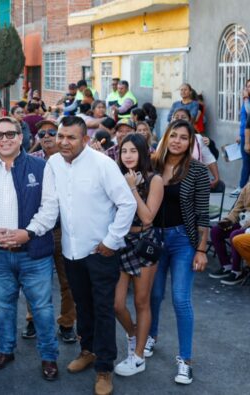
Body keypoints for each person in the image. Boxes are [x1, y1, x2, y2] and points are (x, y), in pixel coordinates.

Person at [46, 116, 137, 395]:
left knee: (103, 310)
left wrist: (111, 240)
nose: (64, 142)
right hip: (71, 251)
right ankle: (88, 351)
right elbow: (50, 205)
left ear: (85, 140)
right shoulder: (53, 164)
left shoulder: (103, 165)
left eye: (71, 137)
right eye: (61, 136)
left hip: (100, 253)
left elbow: (127, 203)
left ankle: (104, 369)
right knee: (82, 305)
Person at [0, 117, 60, 381]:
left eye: (11, 134)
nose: (5, 139)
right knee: (4, 306)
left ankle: (49, 356)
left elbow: (50, 207)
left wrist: (27, 233)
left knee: (42, 308)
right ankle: (5, 350)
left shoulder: (41, 168)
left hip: (34, 254)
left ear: (21, 137)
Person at [147, 119, 210, 385]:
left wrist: (201, 250)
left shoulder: (197, 170)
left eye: (184, 137)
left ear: (190, 142)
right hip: (154, 239)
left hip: (183, 240)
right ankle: (150, 335)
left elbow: (204, 214)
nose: (177, 141)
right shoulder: (152, 164)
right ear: (165, 137)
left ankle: (185, 360)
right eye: (173, 136)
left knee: (180, 299)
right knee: (154, 293)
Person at [111, 133, 164, 377]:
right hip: (121, 241)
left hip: (144, 243)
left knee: (141, 301)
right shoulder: (115, 176)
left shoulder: (155, 180)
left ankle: (139, 356)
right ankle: (134, 334)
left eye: (133, 151)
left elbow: (147, 217)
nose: (128, 156)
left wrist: (132, 188)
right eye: (124, 151)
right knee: (116, 304)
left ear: (143, 153)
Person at [23, 119, 78, 343]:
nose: (46, 136)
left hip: (62, 231)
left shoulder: (71, 162)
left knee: (68, 281)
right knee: (34, 280)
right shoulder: (31, 161)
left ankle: (66, 323)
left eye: (52, 132)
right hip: (37, 231)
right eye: (41, 132)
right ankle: (32, 319)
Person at [209, 183, 250, 285]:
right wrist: (228, 220)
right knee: (216, 231)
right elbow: (238, 207)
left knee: (235, 235)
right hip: (243, 222)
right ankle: (226, 266)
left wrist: (245, 225)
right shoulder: (248, 186)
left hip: (247, 225)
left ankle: (237, 271)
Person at [238, 79, 250, 193]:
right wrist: (239, 135)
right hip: (243, 135)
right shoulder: (246, 100)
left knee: (247, 163)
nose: (248, 89)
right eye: (248, 87)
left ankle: (242, 187)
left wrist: (246, 99)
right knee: (246, 162)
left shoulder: (247, 101)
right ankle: (242, 187)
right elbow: (242, 118)